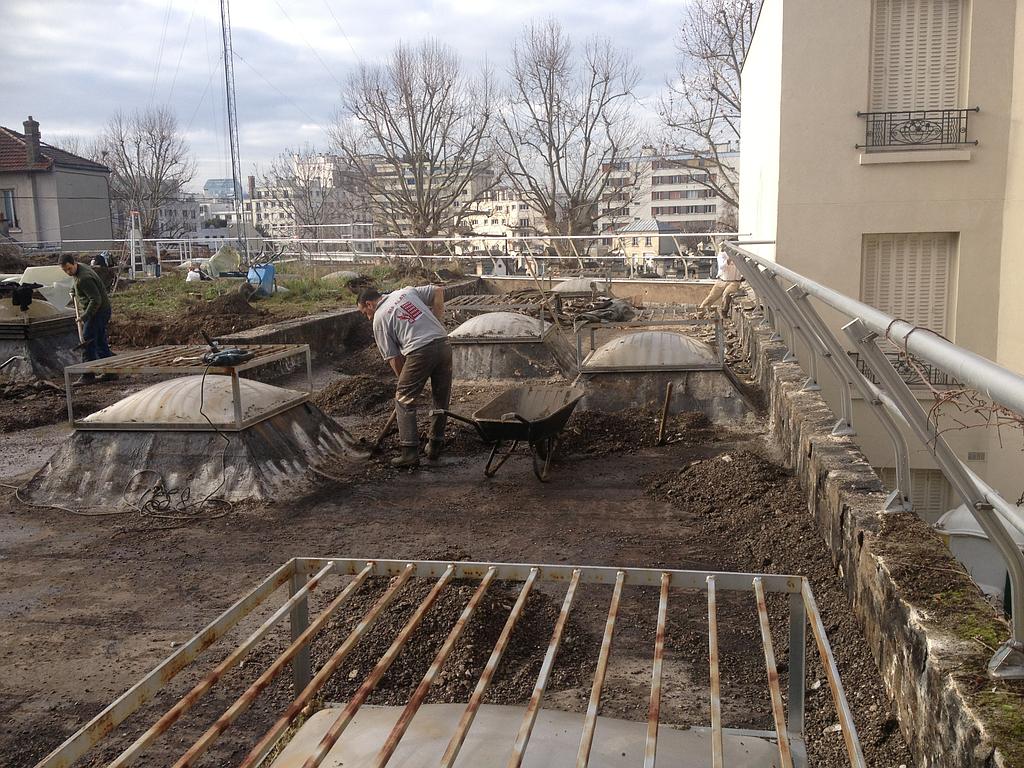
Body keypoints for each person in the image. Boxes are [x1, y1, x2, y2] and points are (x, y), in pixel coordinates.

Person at [357, 284, 452, 468]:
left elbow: (394, 359)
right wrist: (438, 320)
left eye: (364, 313)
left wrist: (408, 388)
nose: (368, 317)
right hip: (444, 343)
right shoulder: (405, 292)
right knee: (441, 396)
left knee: (403, 399)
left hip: (420, 351)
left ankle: (409, 453)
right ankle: (435, 445)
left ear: (369, 304)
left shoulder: (379, 318)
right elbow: (438, 290)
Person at [60, 253, 114, 384]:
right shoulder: (80, 269)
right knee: (100, 341)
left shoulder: (85, 278)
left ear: (74, 263)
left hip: (98, 311)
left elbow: (96, 300)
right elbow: (76, 281)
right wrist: (73, 290)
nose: (68, 272)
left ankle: (88, 375)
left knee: (87, 339)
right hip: (102, 310)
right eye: (65, 270)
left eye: (69, 269)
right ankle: (110, 372)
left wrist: (84, 316)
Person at [699, 244, 744, 316]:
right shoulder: (722, 255)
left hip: (734, 282)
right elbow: (722, 267)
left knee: (726, 293)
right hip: (721, 281)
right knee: (711, 297)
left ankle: (724, 312)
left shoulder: (739, 256)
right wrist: (729, 259)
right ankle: (700, 312)